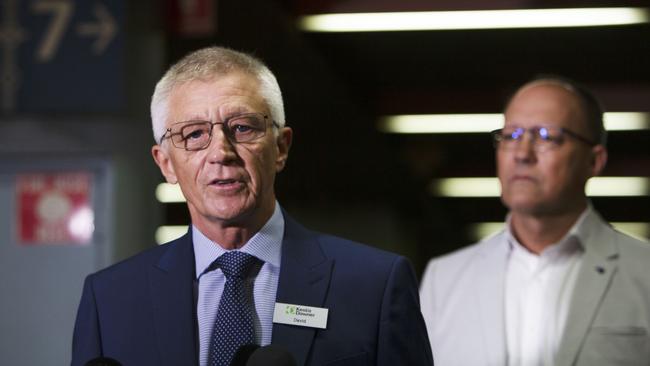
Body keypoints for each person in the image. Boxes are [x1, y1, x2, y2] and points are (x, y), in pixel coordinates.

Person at [72, 46, 433, 366]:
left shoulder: (374, 286)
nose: (220, 153)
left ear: (281, 147)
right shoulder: (110, 300)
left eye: (242, 128)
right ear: (166, 163)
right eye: (194, 134)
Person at [419, 76, 650, 366]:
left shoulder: (644, 273)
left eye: (546, 136)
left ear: (594, 161)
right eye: (511, 135)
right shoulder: (444, 279)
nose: (522, 154)